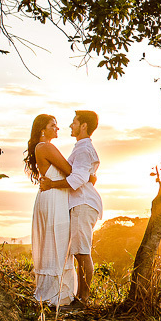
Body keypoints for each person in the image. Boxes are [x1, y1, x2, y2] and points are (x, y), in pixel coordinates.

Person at [40, 110, 103, 306]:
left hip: (83, 203)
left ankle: (83, 300)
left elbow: (77, 178)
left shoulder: (84, 150)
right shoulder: (81, 148)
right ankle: (79, 297)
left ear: (83, 125)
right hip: (80, 203)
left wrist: (52, 185)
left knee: (82, 252)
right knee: (78, 251)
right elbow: (84, 176)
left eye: (74, 122)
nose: (70, 126)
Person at [24, 114, 78, 307]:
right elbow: (71, 171)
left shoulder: (41, 147)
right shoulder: (46, 147)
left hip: (52, 196)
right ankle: (55, 294)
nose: (57, 128)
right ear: (42, 130)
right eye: (53, 125)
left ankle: (54, 292)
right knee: (58, 243)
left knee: (55, 242)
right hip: (54, 199)